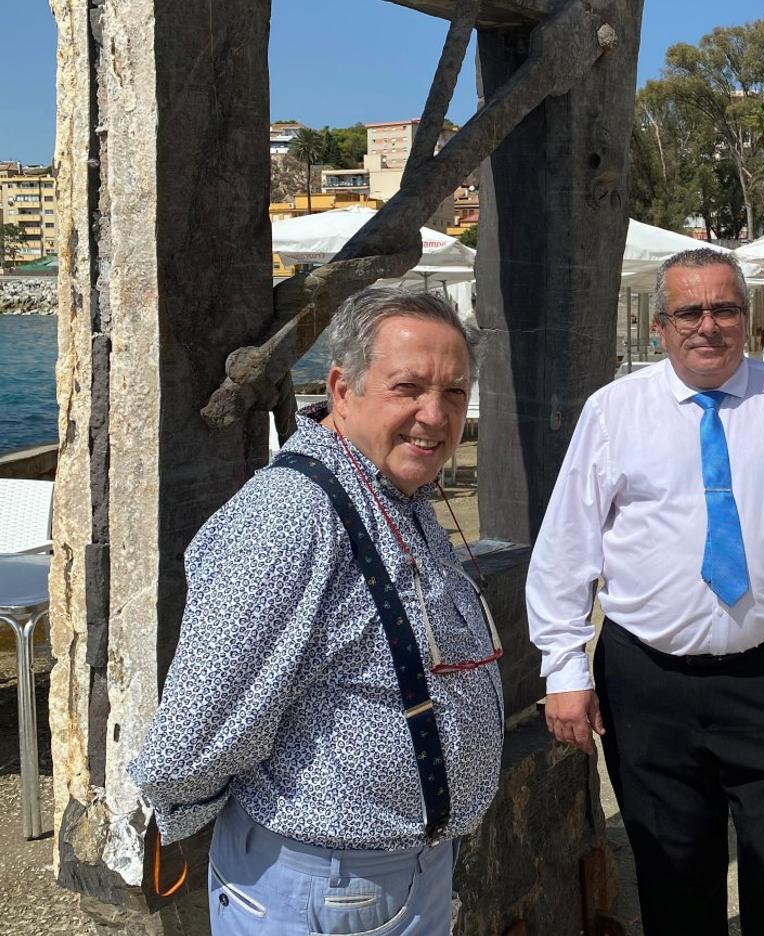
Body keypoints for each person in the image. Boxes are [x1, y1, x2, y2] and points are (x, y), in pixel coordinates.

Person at [527, 248, 764, 936]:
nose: (708, 325)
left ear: (747, 319)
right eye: (689, 311)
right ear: (659, 326)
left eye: (724, 308)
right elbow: (565, 550)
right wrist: (564, 667)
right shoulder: (614, 412)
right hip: (648, 685)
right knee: (673, 874)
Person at [129, 288, 503, 936]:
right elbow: (197, 728)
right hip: (320, 889)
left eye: (454, 394)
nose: (434, 416)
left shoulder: (393, 488)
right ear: (342, 388)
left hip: (396, 876)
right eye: (408, 388)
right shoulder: (291, 516)